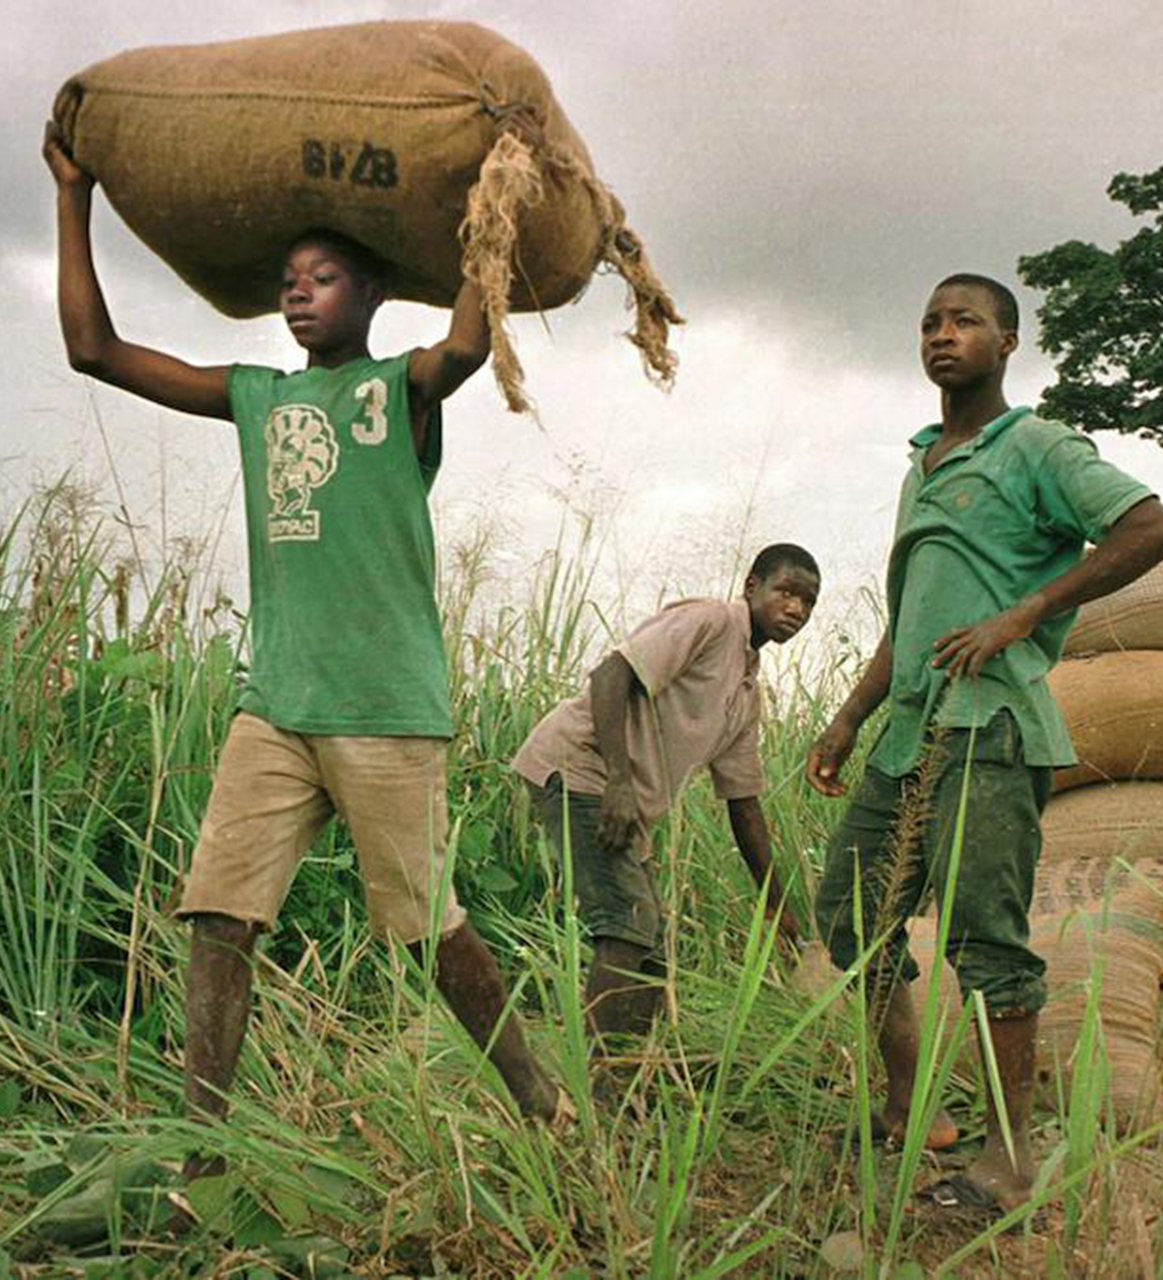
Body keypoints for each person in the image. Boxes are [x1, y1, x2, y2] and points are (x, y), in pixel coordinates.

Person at [41, 125, 566, 1170]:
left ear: (371, 294)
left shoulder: (400, 389)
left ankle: (540, 1103)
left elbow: (467, 348)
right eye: (289, 279)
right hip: (276, 705)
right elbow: (94, 351)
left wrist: (491, 207)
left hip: (383, 708)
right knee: (218, 917)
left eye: (323, 277)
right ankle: (202, 1155)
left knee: (426, 929)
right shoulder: (257, 396)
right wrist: (73, 194)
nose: (298, 291)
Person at [806, 273, 1163, 1216]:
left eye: (965, 321)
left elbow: (1153, 529)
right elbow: (910, 619)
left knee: (987, 944)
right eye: (930, 322)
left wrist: (1026, 613)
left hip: (992, 733)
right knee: (848, 916)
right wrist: (850, 717)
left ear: (1008, 342)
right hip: (907, 740)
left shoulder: (1036, 447)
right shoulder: (924, 464)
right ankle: (911, 1107)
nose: (943, 335)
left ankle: (1010, 1164)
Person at [512, 545, 821, 1058]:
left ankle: (635, 1071)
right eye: (786, 592)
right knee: (628, 922)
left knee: (653, 948)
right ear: (752, 586)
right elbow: (611, 675)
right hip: (580, 768)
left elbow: (744, 802)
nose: (796, 609)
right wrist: (618, 781)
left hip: (619, 796)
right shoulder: (711, 621)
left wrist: (775, 902)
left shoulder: (747, 691)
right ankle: (599, 1084)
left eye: (808, 602)